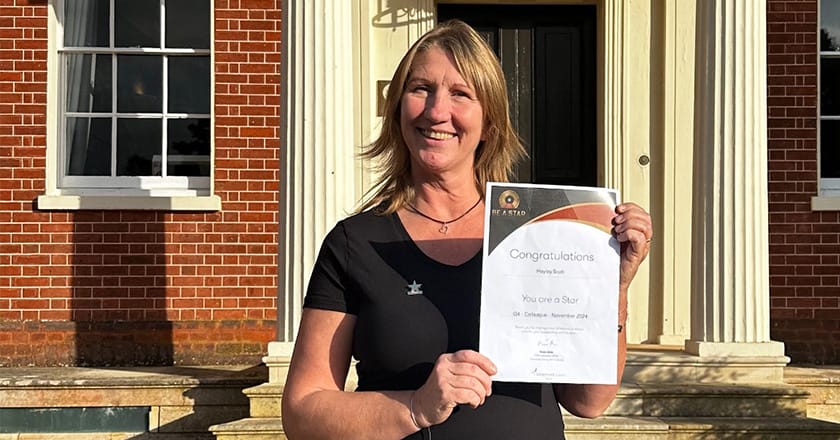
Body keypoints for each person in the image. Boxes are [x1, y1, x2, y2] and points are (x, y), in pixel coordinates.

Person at [281, 19, 652, 440]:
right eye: (421, 89)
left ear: (489, 122)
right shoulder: (357, 243)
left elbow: (589, 400)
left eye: (461, 94)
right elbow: (302, 412)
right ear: (398, 107)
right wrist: (416, 407)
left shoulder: (542, 232)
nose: (437, 111)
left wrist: (611, 287)